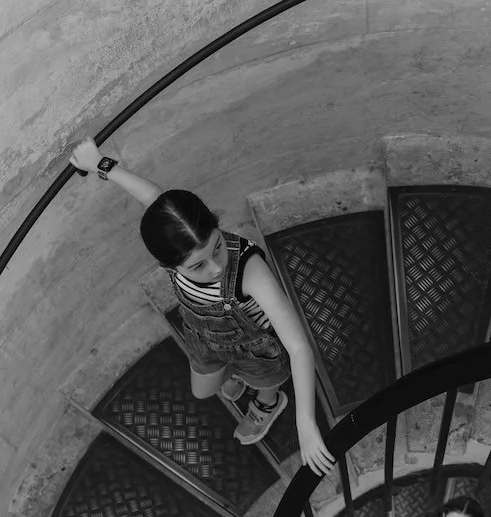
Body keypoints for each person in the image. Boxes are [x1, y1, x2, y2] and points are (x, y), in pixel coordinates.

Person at [70, 138, 335, 475]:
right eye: (197, 266)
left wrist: (306, 422)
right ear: (169, 268)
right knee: (204, 391)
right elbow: (154, 199)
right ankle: (236, 373)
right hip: (204, 338)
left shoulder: (248, 271)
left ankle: (269, 403)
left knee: (262, 381)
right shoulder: (181, 248)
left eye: (217, 247)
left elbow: (298, 346)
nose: (215, 267)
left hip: (257, 349)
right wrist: (100, 165)